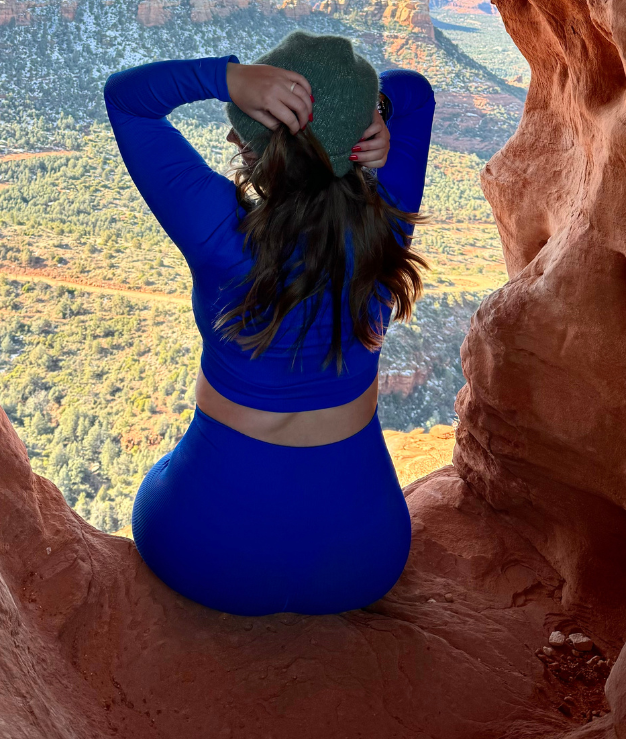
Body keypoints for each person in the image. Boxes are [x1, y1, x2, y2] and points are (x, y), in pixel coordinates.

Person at [103, 30, 435, 617]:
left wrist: (226, 78)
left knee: (163, 475)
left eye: (246, 127)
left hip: (205, 552)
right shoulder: (390, 218)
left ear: (266, 153)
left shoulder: (218, 231)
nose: (233, 133)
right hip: (363, 558)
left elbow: (127, 97)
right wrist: (375, 114)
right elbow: (416, 92)